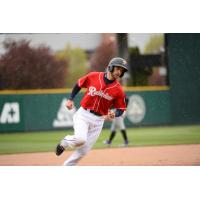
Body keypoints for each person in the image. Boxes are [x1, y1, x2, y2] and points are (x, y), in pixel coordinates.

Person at [55, 57, 128, 166]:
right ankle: (65, 142)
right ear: (110, 67)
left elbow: (121, 109)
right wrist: (70, 99)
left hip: (99, 120)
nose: (119, 72)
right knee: (80, 139)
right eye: (118, 68)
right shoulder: (94, 76)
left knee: (83, 151)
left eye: (121, 70)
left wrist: (115, 113)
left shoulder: (118, 90)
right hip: (83, 114)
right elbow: (79, 84)